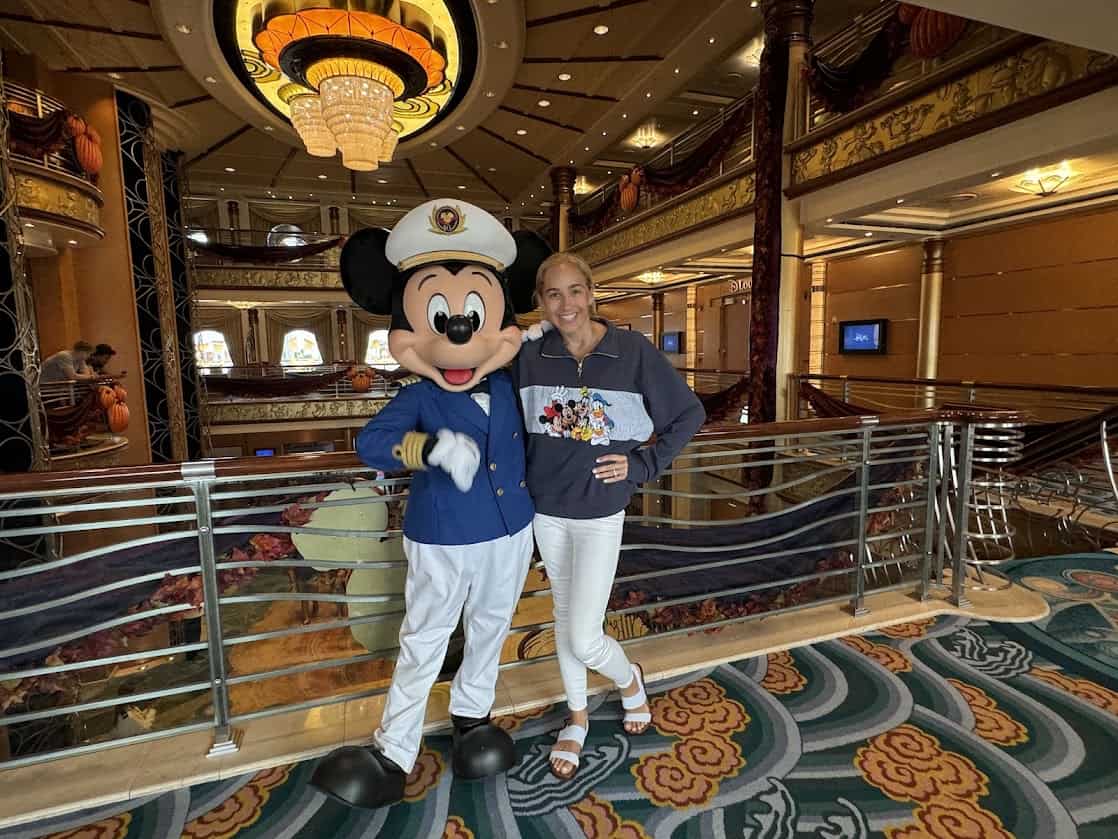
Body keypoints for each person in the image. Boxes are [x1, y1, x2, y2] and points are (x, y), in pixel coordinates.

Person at [309, 200, 552, 809]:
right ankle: (394, 748)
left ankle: (472, 715)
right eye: (441, 317)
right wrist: (429, 448)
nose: (459, 334)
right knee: (425, 638)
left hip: (510, 530)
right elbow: (371, 443)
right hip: (442, 536)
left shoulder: (509, 380)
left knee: (492, 629)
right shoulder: (419, 394)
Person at [517, 252, 706, 780]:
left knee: (583, 634)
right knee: (563, 617)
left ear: (592, 292)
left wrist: (641, 463)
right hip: (546, 511)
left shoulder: (632, 351)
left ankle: (629, 682)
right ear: (541, 301)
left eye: (575, 291)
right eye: (553, 294)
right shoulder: (533, 356)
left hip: (601, 510)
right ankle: (576, 717)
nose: (566, 304)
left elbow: (689, 413)